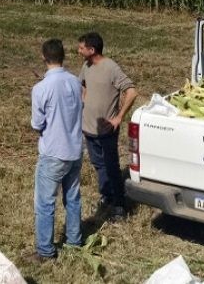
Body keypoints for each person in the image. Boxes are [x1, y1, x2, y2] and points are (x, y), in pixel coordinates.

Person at [29, 39, 83, 262]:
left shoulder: (41, 88)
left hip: (53, 152)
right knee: (73, 198)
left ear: (43, 57)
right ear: (63, 56)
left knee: (45, 203)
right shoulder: (75, 82)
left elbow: (37, 123)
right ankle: (74, 241)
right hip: (75, 149)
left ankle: (45, 250)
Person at [77, 32, 138, 220]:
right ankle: (107, 196)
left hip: (106, 130)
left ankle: (119, 204)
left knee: (111, 167)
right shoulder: (86, 66)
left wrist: (118, 117)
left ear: (92, 50)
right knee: (98, 165)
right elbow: (83, 85)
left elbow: (132, 92)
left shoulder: (111, 68)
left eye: (81, 48)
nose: (78, 51)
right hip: (89, 128)